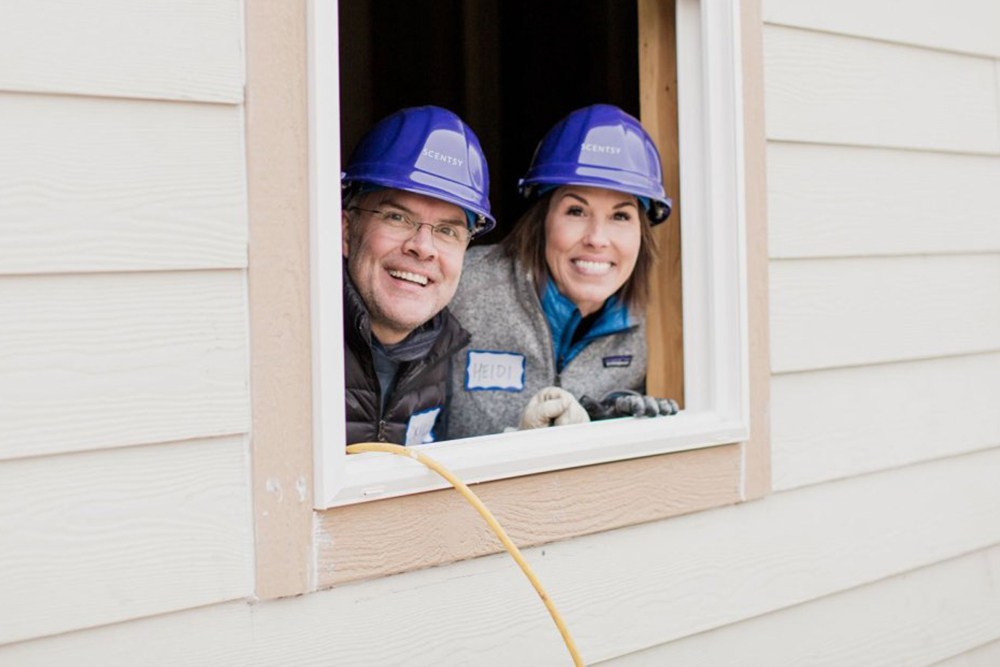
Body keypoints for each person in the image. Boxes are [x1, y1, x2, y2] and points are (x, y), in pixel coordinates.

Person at [447, 104, 676, 439]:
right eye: (576, 211)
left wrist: (610, 420)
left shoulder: (644, 325)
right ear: (543, 220)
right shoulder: (462, 286)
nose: (597, 239)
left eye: (621, 216)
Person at [342, 106, 494, 446]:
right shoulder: (298, 344)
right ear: (346, 230)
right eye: (397, 218)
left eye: (447, 231)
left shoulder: (445, 350)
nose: (423, 247)